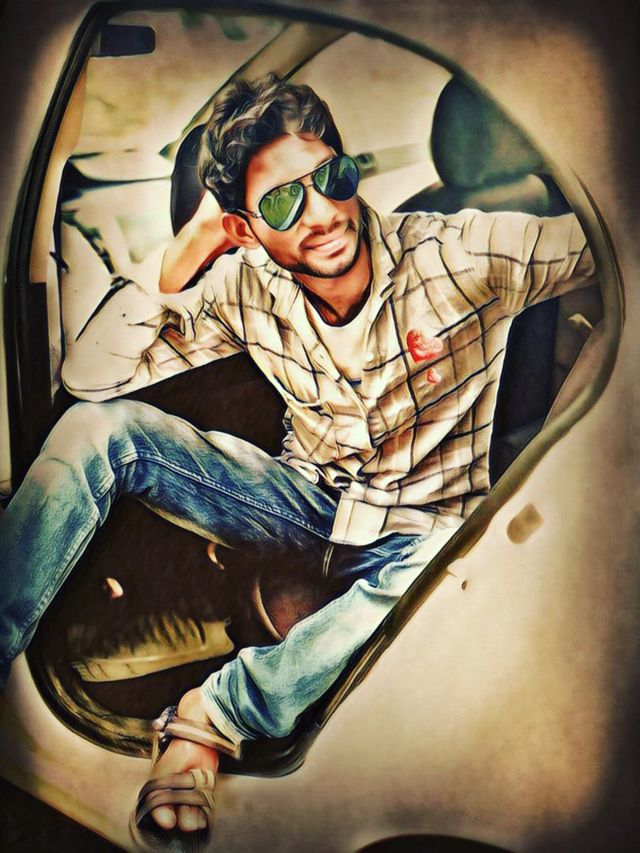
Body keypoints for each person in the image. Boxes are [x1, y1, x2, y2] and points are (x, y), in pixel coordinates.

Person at [0, 73, 595, 841]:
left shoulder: (462, 250)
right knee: (96, 429)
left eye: (332, 178)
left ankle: (209, 720)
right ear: (244, 227)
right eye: (283, 202)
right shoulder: (245, 286)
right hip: (302, 502)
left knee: (448, 546)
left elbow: (605, 246)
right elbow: (90, 376)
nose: (322, 214)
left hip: (417, 531)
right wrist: (194, 243)